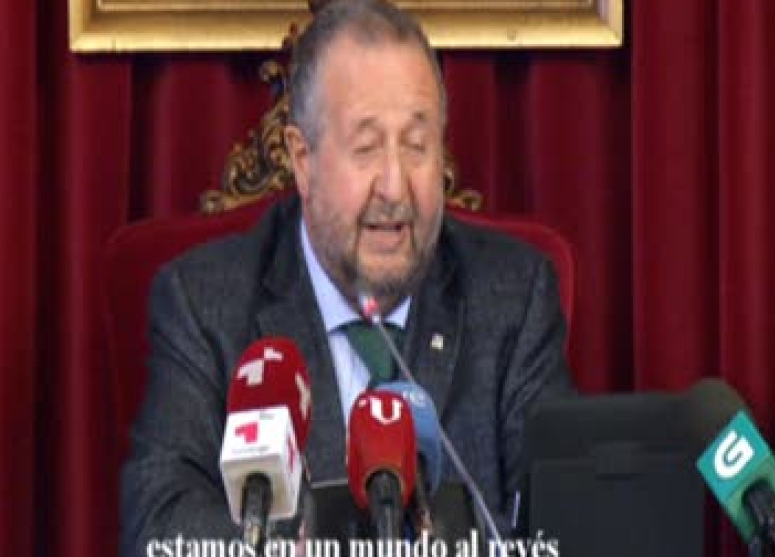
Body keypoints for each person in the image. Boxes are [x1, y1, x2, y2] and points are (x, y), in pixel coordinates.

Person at [120, 0, 573, 554]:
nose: (394, 187)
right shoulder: (204, 304)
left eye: (417, 146)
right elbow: (160, 526)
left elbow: (561, 522)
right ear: (302, 160)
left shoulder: (512, 295)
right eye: (366, 148)